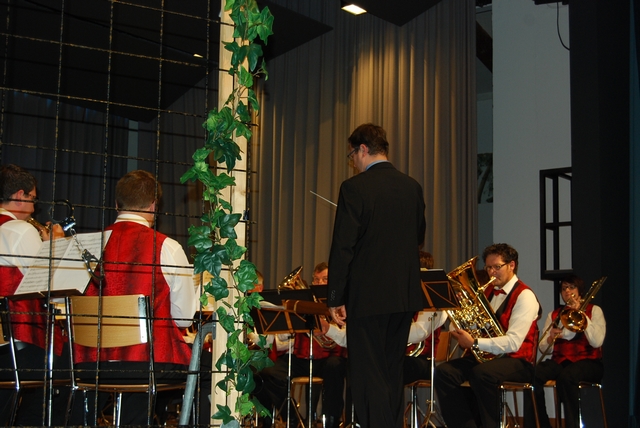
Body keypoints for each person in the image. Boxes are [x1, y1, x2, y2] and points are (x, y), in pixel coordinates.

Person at [70, 170, 201, 425]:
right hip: (147, 362)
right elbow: (184, 319)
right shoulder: (167, 246)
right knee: (208, 372)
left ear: (116, 204)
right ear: (153, 206)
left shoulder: (83, 246)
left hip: (90, 362)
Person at [327, 123, 427, 428]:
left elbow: (343, 246)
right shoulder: (412, 186)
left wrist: (335, 297)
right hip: (403, 295)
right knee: (391, 371)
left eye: (352, 155)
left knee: (368, 374)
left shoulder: (354, 188)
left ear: (362, 149)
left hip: (368, 297)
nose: (353, 162)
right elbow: (419, 237)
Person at [434, 243, 541, 428]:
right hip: (488, 357)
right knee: (444, 373)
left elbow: (514, 342)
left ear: (512, 265)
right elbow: (475, 325)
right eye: (489, 267)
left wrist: (474, 342)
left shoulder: (525, 296)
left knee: (482, 374)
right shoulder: (487, 292)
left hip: (518, 360)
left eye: (497, 267)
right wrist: (460, 319)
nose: (492, 272)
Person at [0, 164, 67, 426]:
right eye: (33, 198)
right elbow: (52, 288)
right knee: (69, 368)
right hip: (17, 342)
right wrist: (56, 246)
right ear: (20, 195)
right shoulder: (20, 230)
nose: (34, 207)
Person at [253, 262, 347, 428]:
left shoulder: (341, 305)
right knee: (267, 372)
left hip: (329, 357)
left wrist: (328, 328)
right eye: (316, 279)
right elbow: (283, 337)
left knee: (335, 367)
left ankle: (331, 422)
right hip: (302, 357)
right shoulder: (303, 302)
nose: (319, 283)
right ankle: (292, 418)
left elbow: (345, 336)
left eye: (325, 279)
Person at [533, 274, 605, 428]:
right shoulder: (554, 315)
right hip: (561, 361)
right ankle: (543, 424)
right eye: (564, 288)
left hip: (589, 361)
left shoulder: (594, 310)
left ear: (580, 291)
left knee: (567, 377)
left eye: (572, 287)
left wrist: (582, 316)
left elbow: (597, 341)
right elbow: (543, 348)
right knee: (532, 375)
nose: (567, 291)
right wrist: (550, 339)